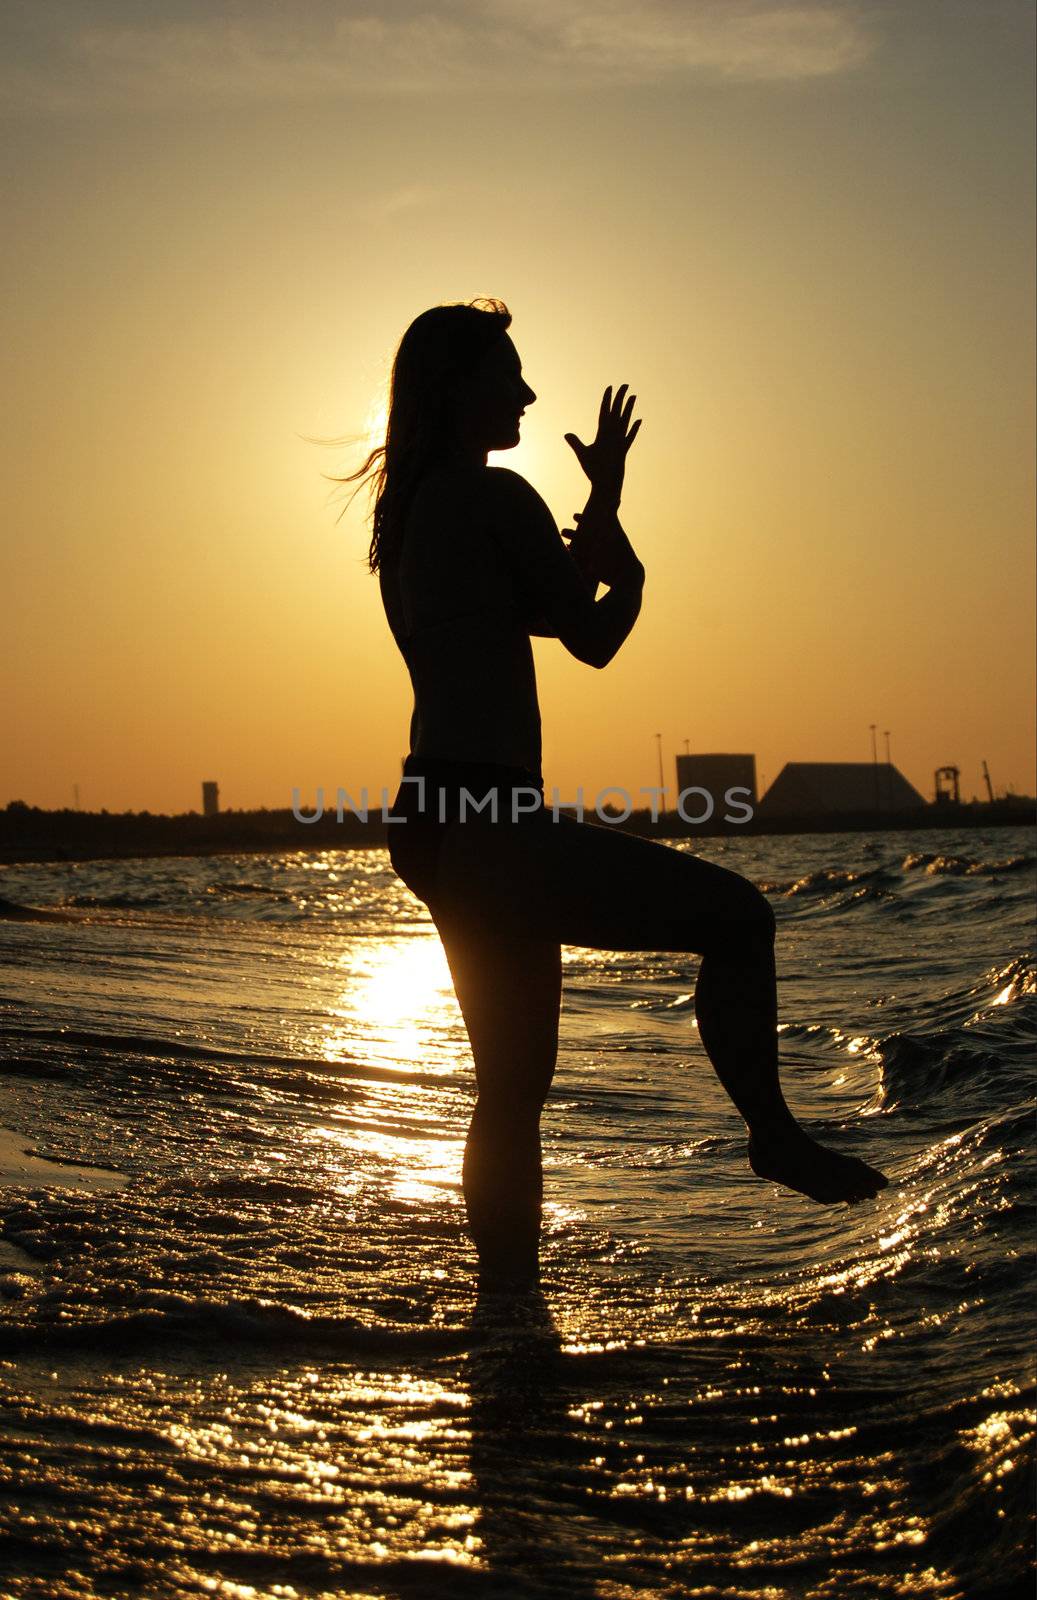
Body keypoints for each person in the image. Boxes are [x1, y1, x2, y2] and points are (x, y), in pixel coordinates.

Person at [340, 297, 887, 1288]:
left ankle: (507, 1312)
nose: (528, 391)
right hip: (490, 817)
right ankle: (770, 1134)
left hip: (430, 815)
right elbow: (591, 631)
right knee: (736, 919)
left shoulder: (405, 518)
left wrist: (595, 516)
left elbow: (534, 602)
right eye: (507, 373)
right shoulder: (493, 496)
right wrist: (622, 547)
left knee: (510, 1084)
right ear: (456, 387)